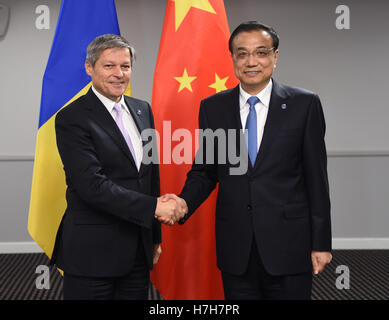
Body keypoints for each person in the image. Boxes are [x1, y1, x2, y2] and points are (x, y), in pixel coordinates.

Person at [160, 21, 332, 300]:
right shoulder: (214, 107)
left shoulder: (305, 104)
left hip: (289, 245)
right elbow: (206, 171)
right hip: (235, 246)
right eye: (242, 53)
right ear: (233, 59)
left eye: (261, 52)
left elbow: (317, 180)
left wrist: (321, 243)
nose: (251, 61)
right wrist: (182, 203)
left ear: (275, 57)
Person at [51, 34, 185, 300]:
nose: (119, 73)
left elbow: (149, 176)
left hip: (137, 249)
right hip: (92, 253)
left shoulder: (141, 109)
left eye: (125, 66)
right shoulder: (72, 118)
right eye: (109, 66)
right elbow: (92, 186)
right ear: (90, 68)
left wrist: (155, 235)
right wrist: (155, 208)